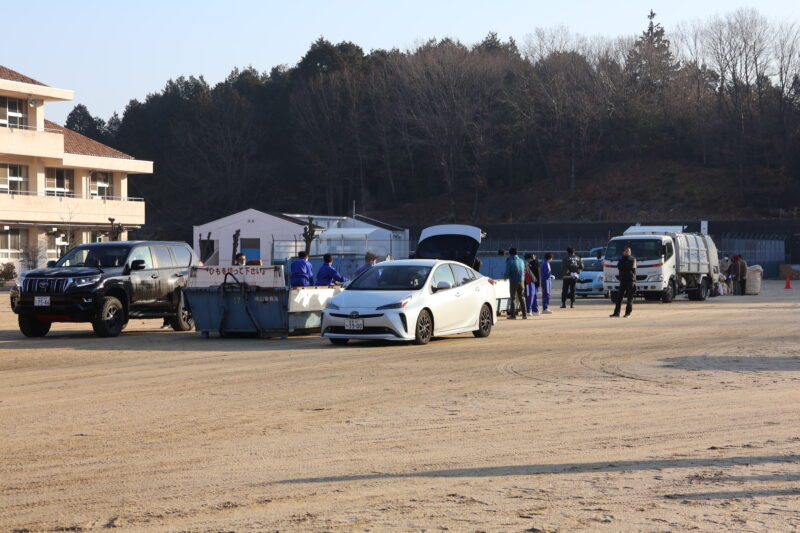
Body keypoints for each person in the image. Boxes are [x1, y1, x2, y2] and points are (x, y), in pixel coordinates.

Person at [610, 246, 636, 318]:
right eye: (626, 251)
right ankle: (616, 313)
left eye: (628, 251)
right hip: (623, 280)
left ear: (630, 252)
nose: (627, 252)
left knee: (630, 297)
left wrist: (623, 266)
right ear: (623, 252)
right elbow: (619, 266)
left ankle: (628, 313)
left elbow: (630, 266)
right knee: (619, 297)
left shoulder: (633, 259)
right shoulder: (621, 259)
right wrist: (624, 266)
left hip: (630, 280)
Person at [504, 247, 527, 319]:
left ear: (510, 253)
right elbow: (524, 270)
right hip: (522, 281)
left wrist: (505, 277)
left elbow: (507, 271)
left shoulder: (509, 261)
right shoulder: (521, 260)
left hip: (513, 281)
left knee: (513, 298)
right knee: (522, 297)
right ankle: (524, 315)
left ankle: (513, 316)